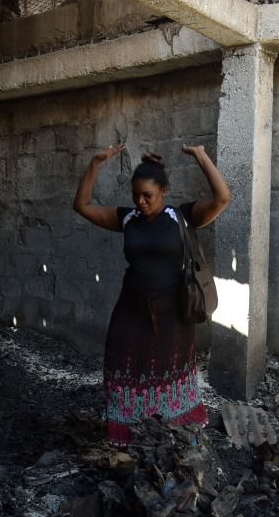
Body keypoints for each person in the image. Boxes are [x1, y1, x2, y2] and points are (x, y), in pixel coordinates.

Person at [72, 144, 232, 446]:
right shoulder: (128, 219)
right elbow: (82, 205)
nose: (141, 202)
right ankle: (129, 432)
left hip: (173, 314)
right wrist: (95, 162)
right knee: (124, 366)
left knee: (169, 371)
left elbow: (223, 197)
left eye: (148, 195)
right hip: (131, 310)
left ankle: (173, 432)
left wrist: (200, 156)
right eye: (136, 195)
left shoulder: (181, 216)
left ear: (164, 191)